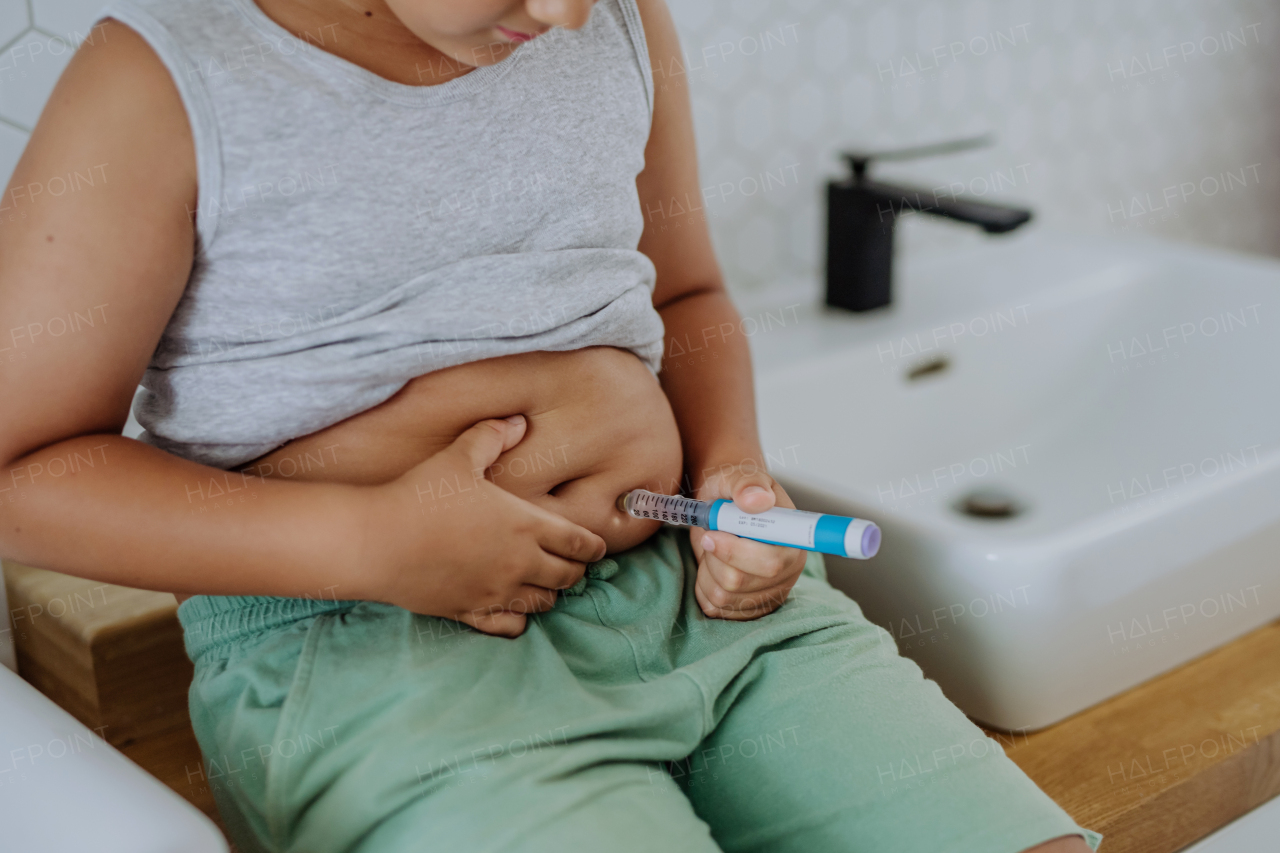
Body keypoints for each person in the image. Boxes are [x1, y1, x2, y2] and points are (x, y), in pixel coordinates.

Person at [0, 0, 1101, 850]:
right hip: (375, 660)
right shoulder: (161, 82)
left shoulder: (609, 17)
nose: (570, 15)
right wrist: (367, 544)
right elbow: (20, 476)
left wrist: (734, 478)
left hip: (696, 600)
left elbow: (686, 300)